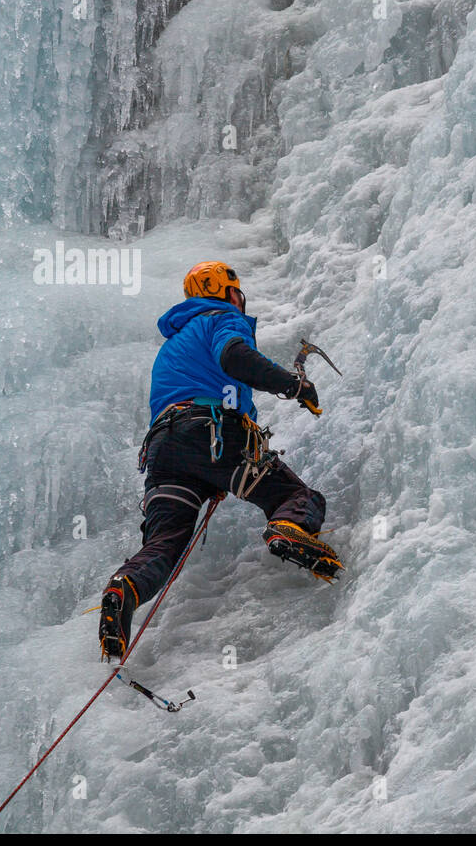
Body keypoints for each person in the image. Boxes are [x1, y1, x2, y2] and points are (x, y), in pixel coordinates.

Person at [98, 260, 341, 661]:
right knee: (296, 495)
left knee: (165, 543)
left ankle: (124, 588)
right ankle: (287, 527)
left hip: (163, 452)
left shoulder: (174, 344)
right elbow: (234, 357)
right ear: (228, 292)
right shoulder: (221, 319)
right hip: (212, 432)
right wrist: (294, 384)